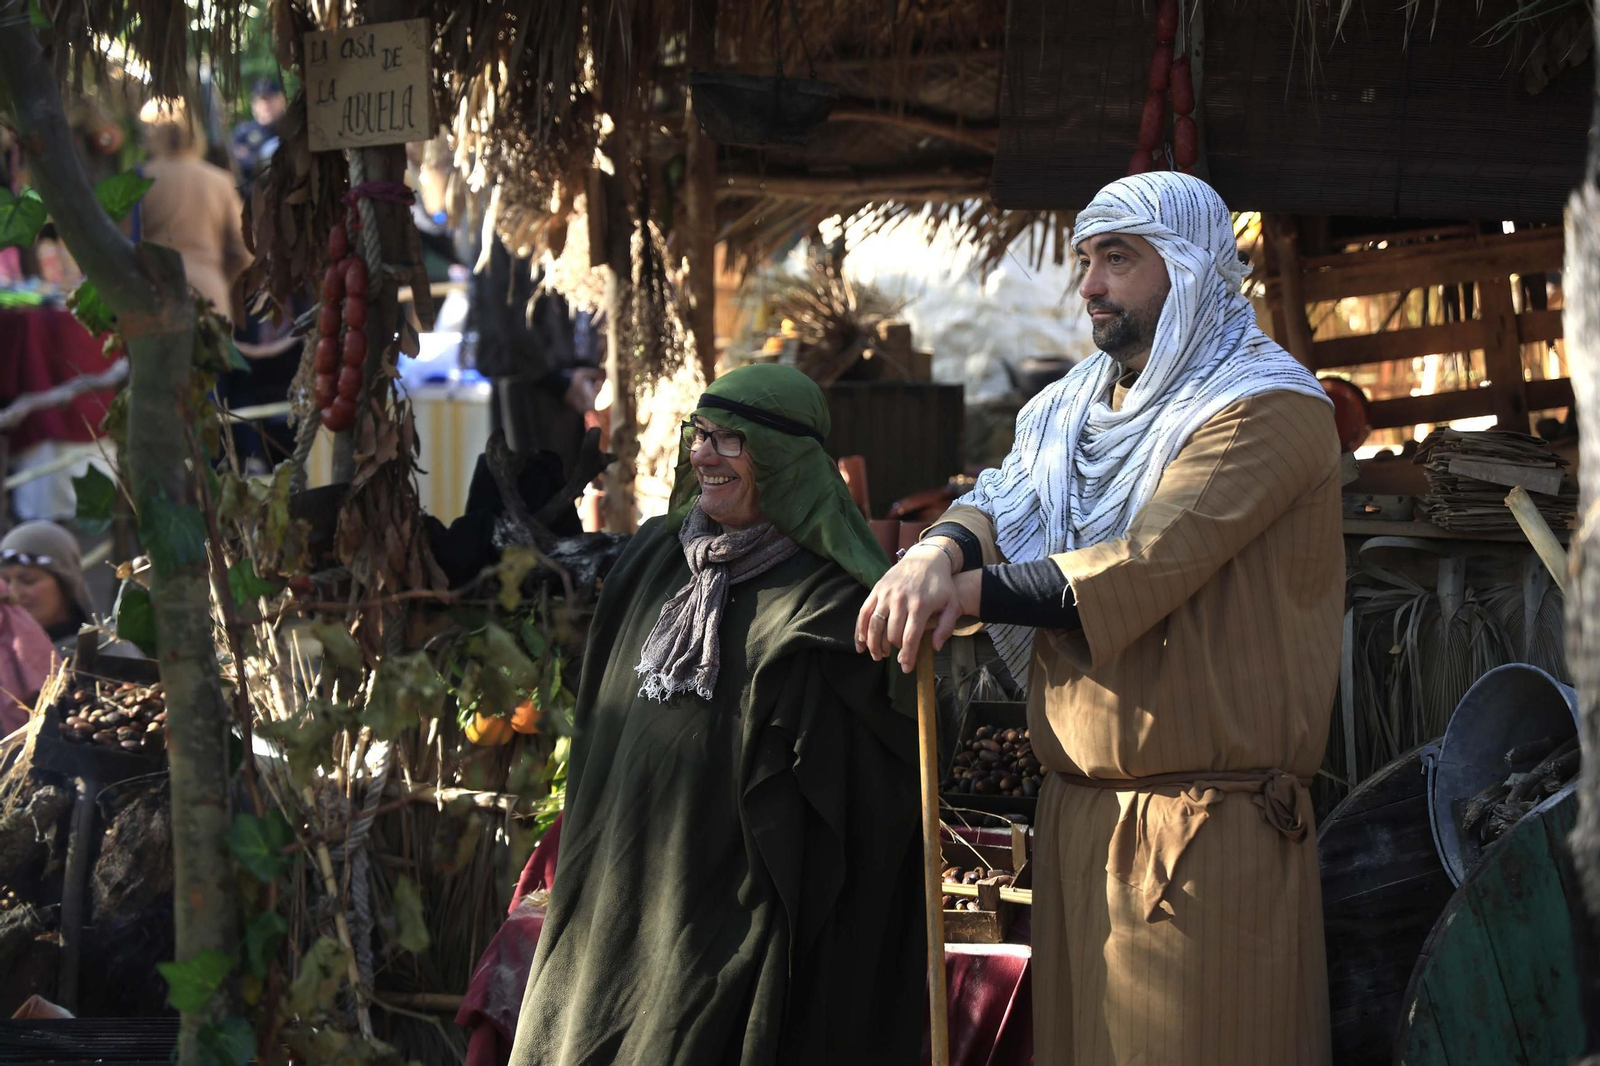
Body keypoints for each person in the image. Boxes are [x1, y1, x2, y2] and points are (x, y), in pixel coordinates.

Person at [859, 173, 1342, 1066]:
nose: (1088, 285)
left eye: (1118, 258)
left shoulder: (1267, 409)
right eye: (1086, 259)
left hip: (1204, 840)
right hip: (1079, 819)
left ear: (1191, 268)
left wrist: (967, 594)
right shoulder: (1070, 408)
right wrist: (936, 551)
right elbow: (999, 500)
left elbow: (1151, 559)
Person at [508, 364, 923, 1066]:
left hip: (728, 924)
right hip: (615, 888)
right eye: (700, 435)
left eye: (731, 441)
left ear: (786, 460)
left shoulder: (828, 614)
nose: (703, 455)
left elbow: (853, 825)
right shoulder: (651, 561)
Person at [136, 99, 252, 324]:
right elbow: (243, 250)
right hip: (210, 293)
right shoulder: (220, 181)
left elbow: (120, 243)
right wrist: (215, 274)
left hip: (154, 297)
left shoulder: (137, 181)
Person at [0, 521, 101, 656]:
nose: (13, 593)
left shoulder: (112, 655)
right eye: (5, 582)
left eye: (28, 581)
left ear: (65, 585)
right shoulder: (6, 660)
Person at [230, 79, 285, 191]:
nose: (265, 105)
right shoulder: (243, 133)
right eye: (260, 100)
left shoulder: (291, 128)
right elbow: (236, 162)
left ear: (281, 99)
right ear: (253, 104)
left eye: (270, 99)